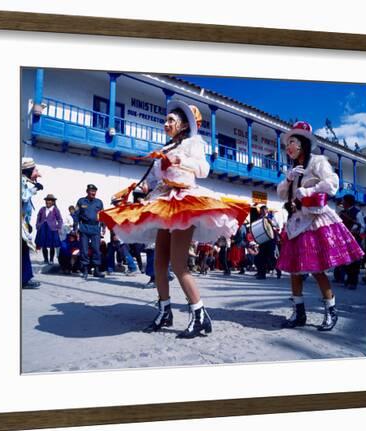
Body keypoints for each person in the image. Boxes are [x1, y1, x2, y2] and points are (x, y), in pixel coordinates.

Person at [99, 101, 250, 338]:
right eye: (166, 119)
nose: (165, 123)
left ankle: (200, 315)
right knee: (159, 263)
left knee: (179, 265)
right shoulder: (166, 147)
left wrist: (180, 161)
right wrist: (133, 189)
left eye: (171, 120)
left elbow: (203, 169)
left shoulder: (193, 144)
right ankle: (165, 310)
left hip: (183, 203)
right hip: (163, 200)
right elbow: (157, 178)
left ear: (182, 125)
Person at [276, 121, 364, 331]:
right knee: (295, 271)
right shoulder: (294, 169)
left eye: (293, 142)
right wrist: (288, 180)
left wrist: (308, 191)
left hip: (314, 220)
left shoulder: (317, 162)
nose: (288, 147)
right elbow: (281, 194)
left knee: (317, 269)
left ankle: (331, 311)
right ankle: (299, 314)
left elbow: (333, 183)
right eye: (288, 143)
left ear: (303, 144)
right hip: (297, 221)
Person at [21, 157, 43, 289]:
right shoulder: (21, 181)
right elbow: (23, 197)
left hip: (24, 222)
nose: (37, 172)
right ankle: (25, 278)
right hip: (20, 221)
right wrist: (35, 189)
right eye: (35, 169)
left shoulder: (25, 181)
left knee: (23, 250)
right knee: (23, 251)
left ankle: (25, 277)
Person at [76, 184, 106, 279]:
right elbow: (76, 215)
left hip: (95, 228)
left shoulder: (99, 202)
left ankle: (96, 270)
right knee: (84, 250)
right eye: (91, 191)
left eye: (94, 191)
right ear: (87, 191)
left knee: (96, 249)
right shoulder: (81, 201)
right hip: (84, 227)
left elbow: (102, 216)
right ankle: (85, 270)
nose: (93, 193)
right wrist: (75, 228)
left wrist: (104, 227)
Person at [336, 193, 365, 289]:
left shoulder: (357, 212)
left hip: (354, 240)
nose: (342, 203)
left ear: (348, 202)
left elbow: (362, 226)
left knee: (355, 262)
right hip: (344, 240)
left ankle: (353, 282)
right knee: (346, 261)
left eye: (343, 201)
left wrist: (354, 231)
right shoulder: (342, 212)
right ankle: (348, 280)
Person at [35, 194, 63, 264]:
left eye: (50, 200)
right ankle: (46, 259)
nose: (48, 202)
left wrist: (58, 227)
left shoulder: (55, 210)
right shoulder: (42, 209)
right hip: (43, 229)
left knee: (52, 245)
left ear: (53, 202)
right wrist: (38, 225)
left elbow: (60, 219)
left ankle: (51, 260)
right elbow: (38, 217)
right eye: (47, 200)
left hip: (52, 230)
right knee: (43, 245)